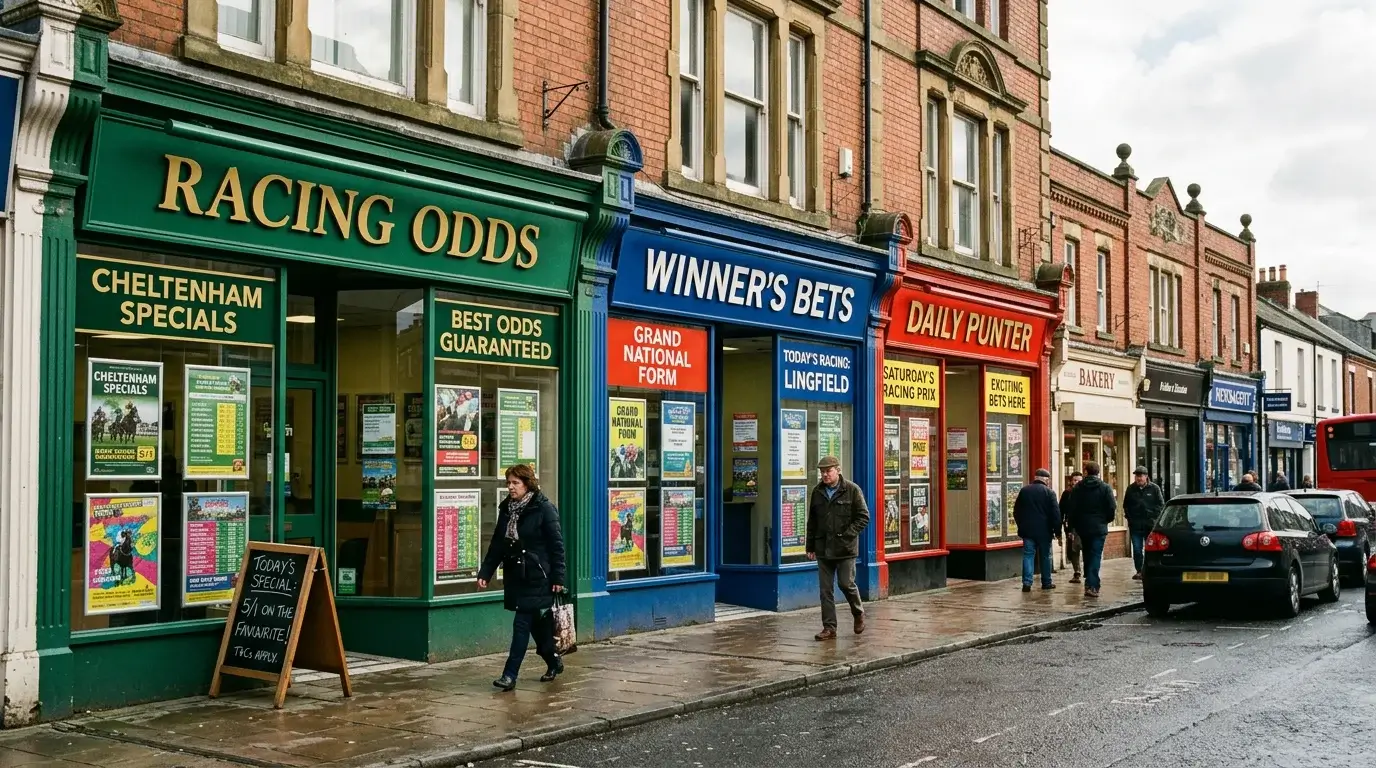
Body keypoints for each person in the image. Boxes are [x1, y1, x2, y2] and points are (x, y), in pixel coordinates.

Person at [477, 464, 566, 691]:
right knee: (535, 625)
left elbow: (557, 547)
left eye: (515, 483)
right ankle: (553, 659)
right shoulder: (507, 508)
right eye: (508, 483)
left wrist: (559, 577)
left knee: (521, 623)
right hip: (517, 576)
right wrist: (485, 572)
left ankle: (509, 675)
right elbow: (498, 543)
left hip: (538, 576)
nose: (511, 487)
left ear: (527, 484)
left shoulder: (544, 509)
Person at [806, 455, 871, 640]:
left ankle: (858, 613)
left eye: (828, 471)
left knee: (846, 584)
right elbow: (813, 521)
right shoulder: (817, 492)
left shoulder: (852, 490)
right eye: (822, 472)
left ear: (838, 470)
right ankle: (829, 628)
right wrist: (810, 546)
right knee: (825, 590)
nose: (825, 475)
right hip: (823, 548)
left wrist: (848, 534)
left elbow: (863, 517)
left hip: (845, 549)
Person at [1063, 461, 1116, 598]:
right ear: (1098, 472)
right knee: (1095, 555)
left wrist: (1072, 526)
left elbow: (1072, 510)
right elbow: (1111, 508)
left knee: (1087, 554)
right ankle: (1092, 585)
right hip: (1099, 527)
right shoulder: (1105, 488)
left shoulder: (1078, 488)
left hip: (1083, 527)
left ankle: (1089, 582)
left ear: (1086, 472)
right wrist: (1105, 520)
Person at [1014, 468, 1061, 592]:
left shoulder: (1024, 491)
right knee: (1045, 556)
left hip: (1028, 531)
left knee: (1028, 555)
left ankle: (1027, 583)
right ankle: (1046, 582)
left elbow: (1016, 511)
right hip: (1044, 531)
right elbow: (1055, 514)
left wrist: (1021, 525)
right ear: (1045, 479)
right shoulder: (1049, 493)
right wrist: (1058, 532)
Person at [1122, 467, 1166, 580]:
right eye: (1137, 476)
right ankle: (1139, 571)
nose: (1138, 478)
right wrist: (1129, 517)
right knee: (1137, 549)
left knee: (1149, 549)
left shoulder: (1154, 488)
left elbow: (1161, 505)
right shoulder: (1131, 489)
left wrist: (1152, 515)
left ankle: (1149, 569)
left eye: (1140, 476)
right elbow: (1126, 505)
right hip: (1135, 525)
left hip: (1150, 525)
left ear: (1146, 476)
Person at [1061, 471, 1084, 583]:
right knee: (1074, 550)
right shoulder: (1067, 493)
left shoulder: (1086, 493)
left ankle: (1086, 571)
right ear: (1071, 481)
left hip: (1085, 525)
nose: (1076, 482)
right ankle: (1077, 571)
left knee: (1084, 548)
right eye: (1074, 480)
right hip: (1071, 526)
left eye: (1079, 480)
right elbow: (1061, 509)